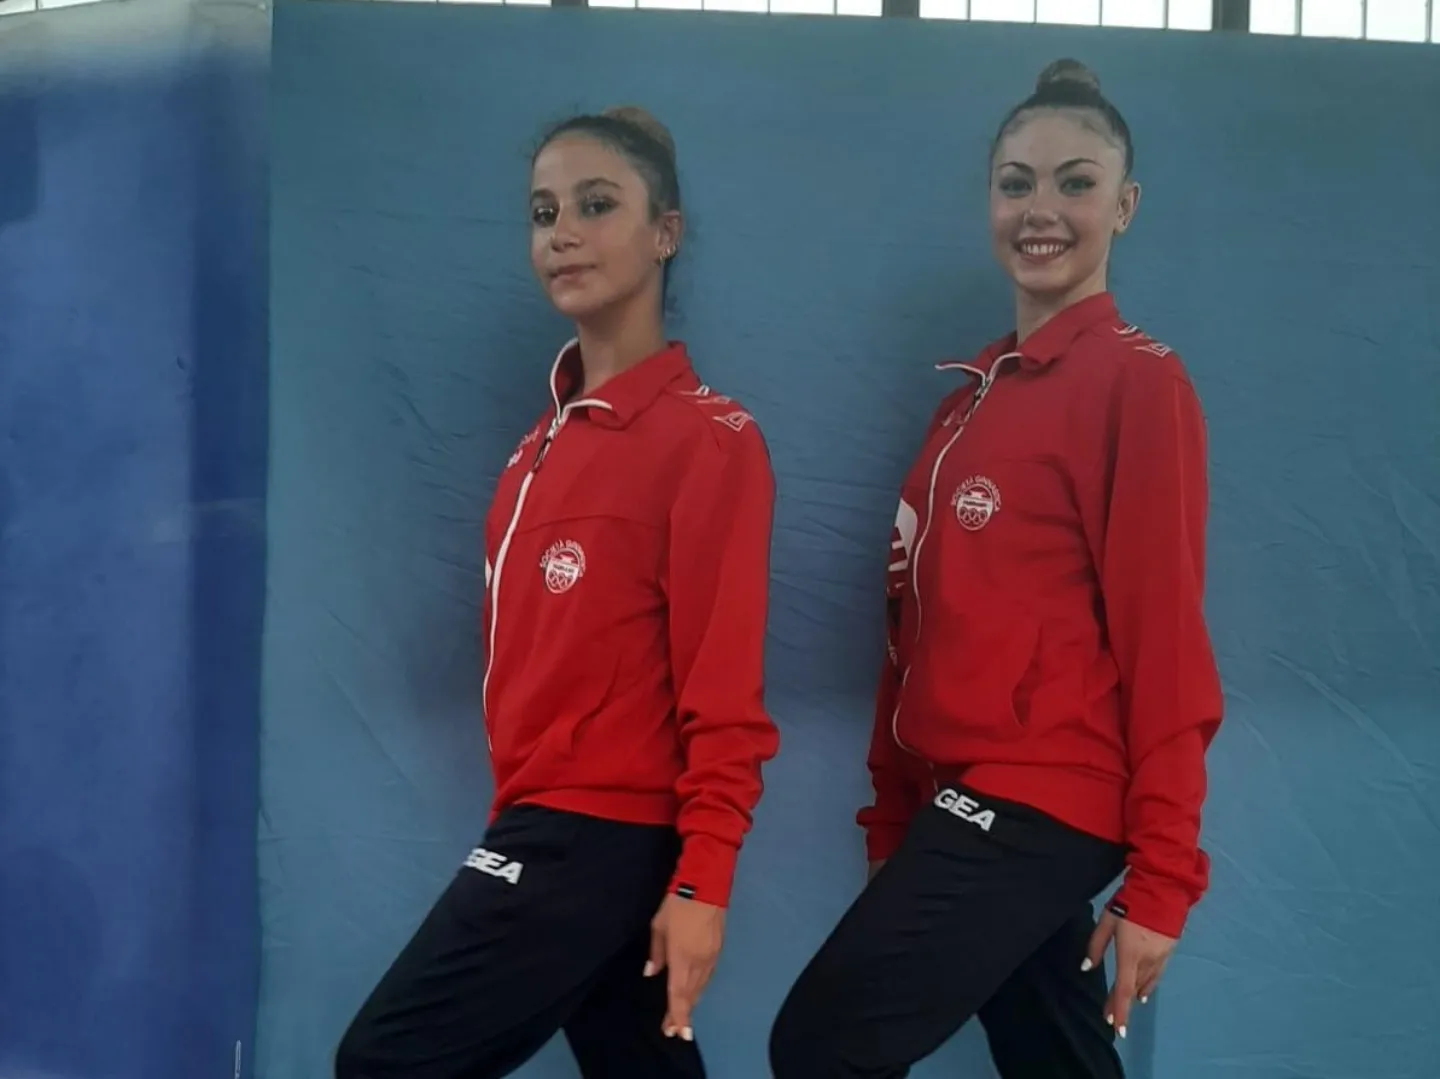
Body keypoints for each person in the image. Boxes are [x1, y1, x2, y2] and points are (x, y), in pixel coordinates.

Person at [768, 59, 1224, 1078]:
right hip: (961, 793)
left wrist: (1164, 876)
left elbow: (1164, 642)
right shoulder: (961, 411)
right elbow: (910, 632)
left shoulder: (1138, 383)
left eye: (1076, 182)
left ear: (1124, 206)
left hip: (1045, 795)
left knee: (821, 1043)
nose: (1041, 209)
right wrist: (893, 817)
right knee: (1054, 1053)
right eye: (1016, 183)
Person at [335, 106, 780, 1079]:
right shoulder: (532, 455)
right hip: (540, 817)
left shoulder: (710, 440)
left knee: (384, 1061)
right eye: (544, 213)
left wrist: (703, 880)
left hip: (598, 833)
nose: (563, 233)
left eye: (596, 204)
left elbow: (725, 692)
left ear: (665, 232)